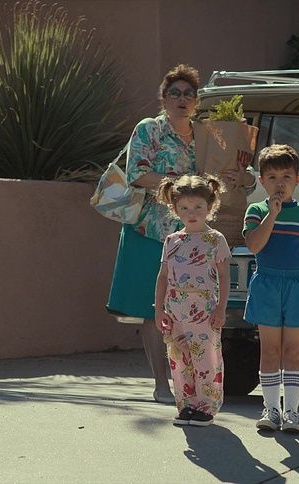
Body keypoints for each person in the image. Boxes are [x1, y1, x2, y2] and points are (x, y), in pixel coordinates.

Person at [106, 64, 254, 404]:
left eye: (188, 93)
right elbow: (136, 173)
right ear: (163, 98)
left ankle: (192, 384)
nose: (182, 99)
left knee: (192, 309)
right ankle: (161, 384)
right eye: (175, 93)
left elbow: (231, 173)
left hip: (194, 235)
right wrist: (181, 186)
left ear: (197, 100)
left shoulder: (209, 134)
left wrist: (241, 175)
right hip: (150, 229)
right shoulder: (149, 130)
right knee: (153, 308)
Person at [242, 144, 299, 434]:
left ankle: (292, 412)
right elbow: (254, 245)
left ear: (297, 179)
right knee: (270, 351)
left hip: (298, 286)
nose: (280, 183)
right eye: (273, 177)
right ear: (262, 181)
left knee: (292, 351)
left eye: (287, 176)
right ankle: (271, 410)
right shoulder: (256, 210)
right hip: (267, 283)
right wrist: (272, 215)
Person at [153, 174, 231, 426]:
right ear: (175, 209)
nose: (192, 212)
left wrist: (221, 308)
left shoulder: (215, 240)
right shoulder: (172, 241)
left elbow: (224, 277)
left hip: (205, 310)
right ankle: (186, 405)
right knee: (179, 358)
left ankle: (205, 407)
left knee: (206, 358)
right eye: (184, 208)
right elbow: (163, 276)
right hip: (176, 310)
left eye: (198, 206)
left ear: (210, 206)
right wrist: (159, 310)